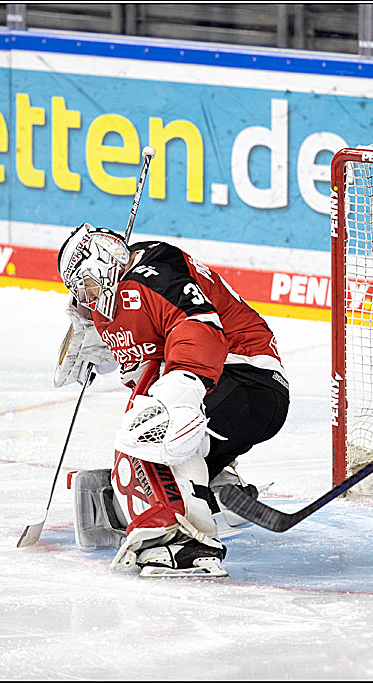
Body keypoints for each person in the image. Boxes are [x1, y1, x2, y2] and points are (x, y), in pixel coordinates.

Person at [54, 223, 289, 578]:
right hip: (234, 387)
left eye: (84, 283)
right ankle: (217, 488)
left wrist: (183, 392)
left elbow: (197, 327)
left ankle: (190, 545)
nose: (85, 295)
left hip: (245, 378)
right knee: (147, 437)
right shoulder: (117, 298)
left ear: (101, 260)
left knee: (153, 431)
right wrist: (100, 340)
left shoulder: (157, 270)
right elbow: (148, 359)